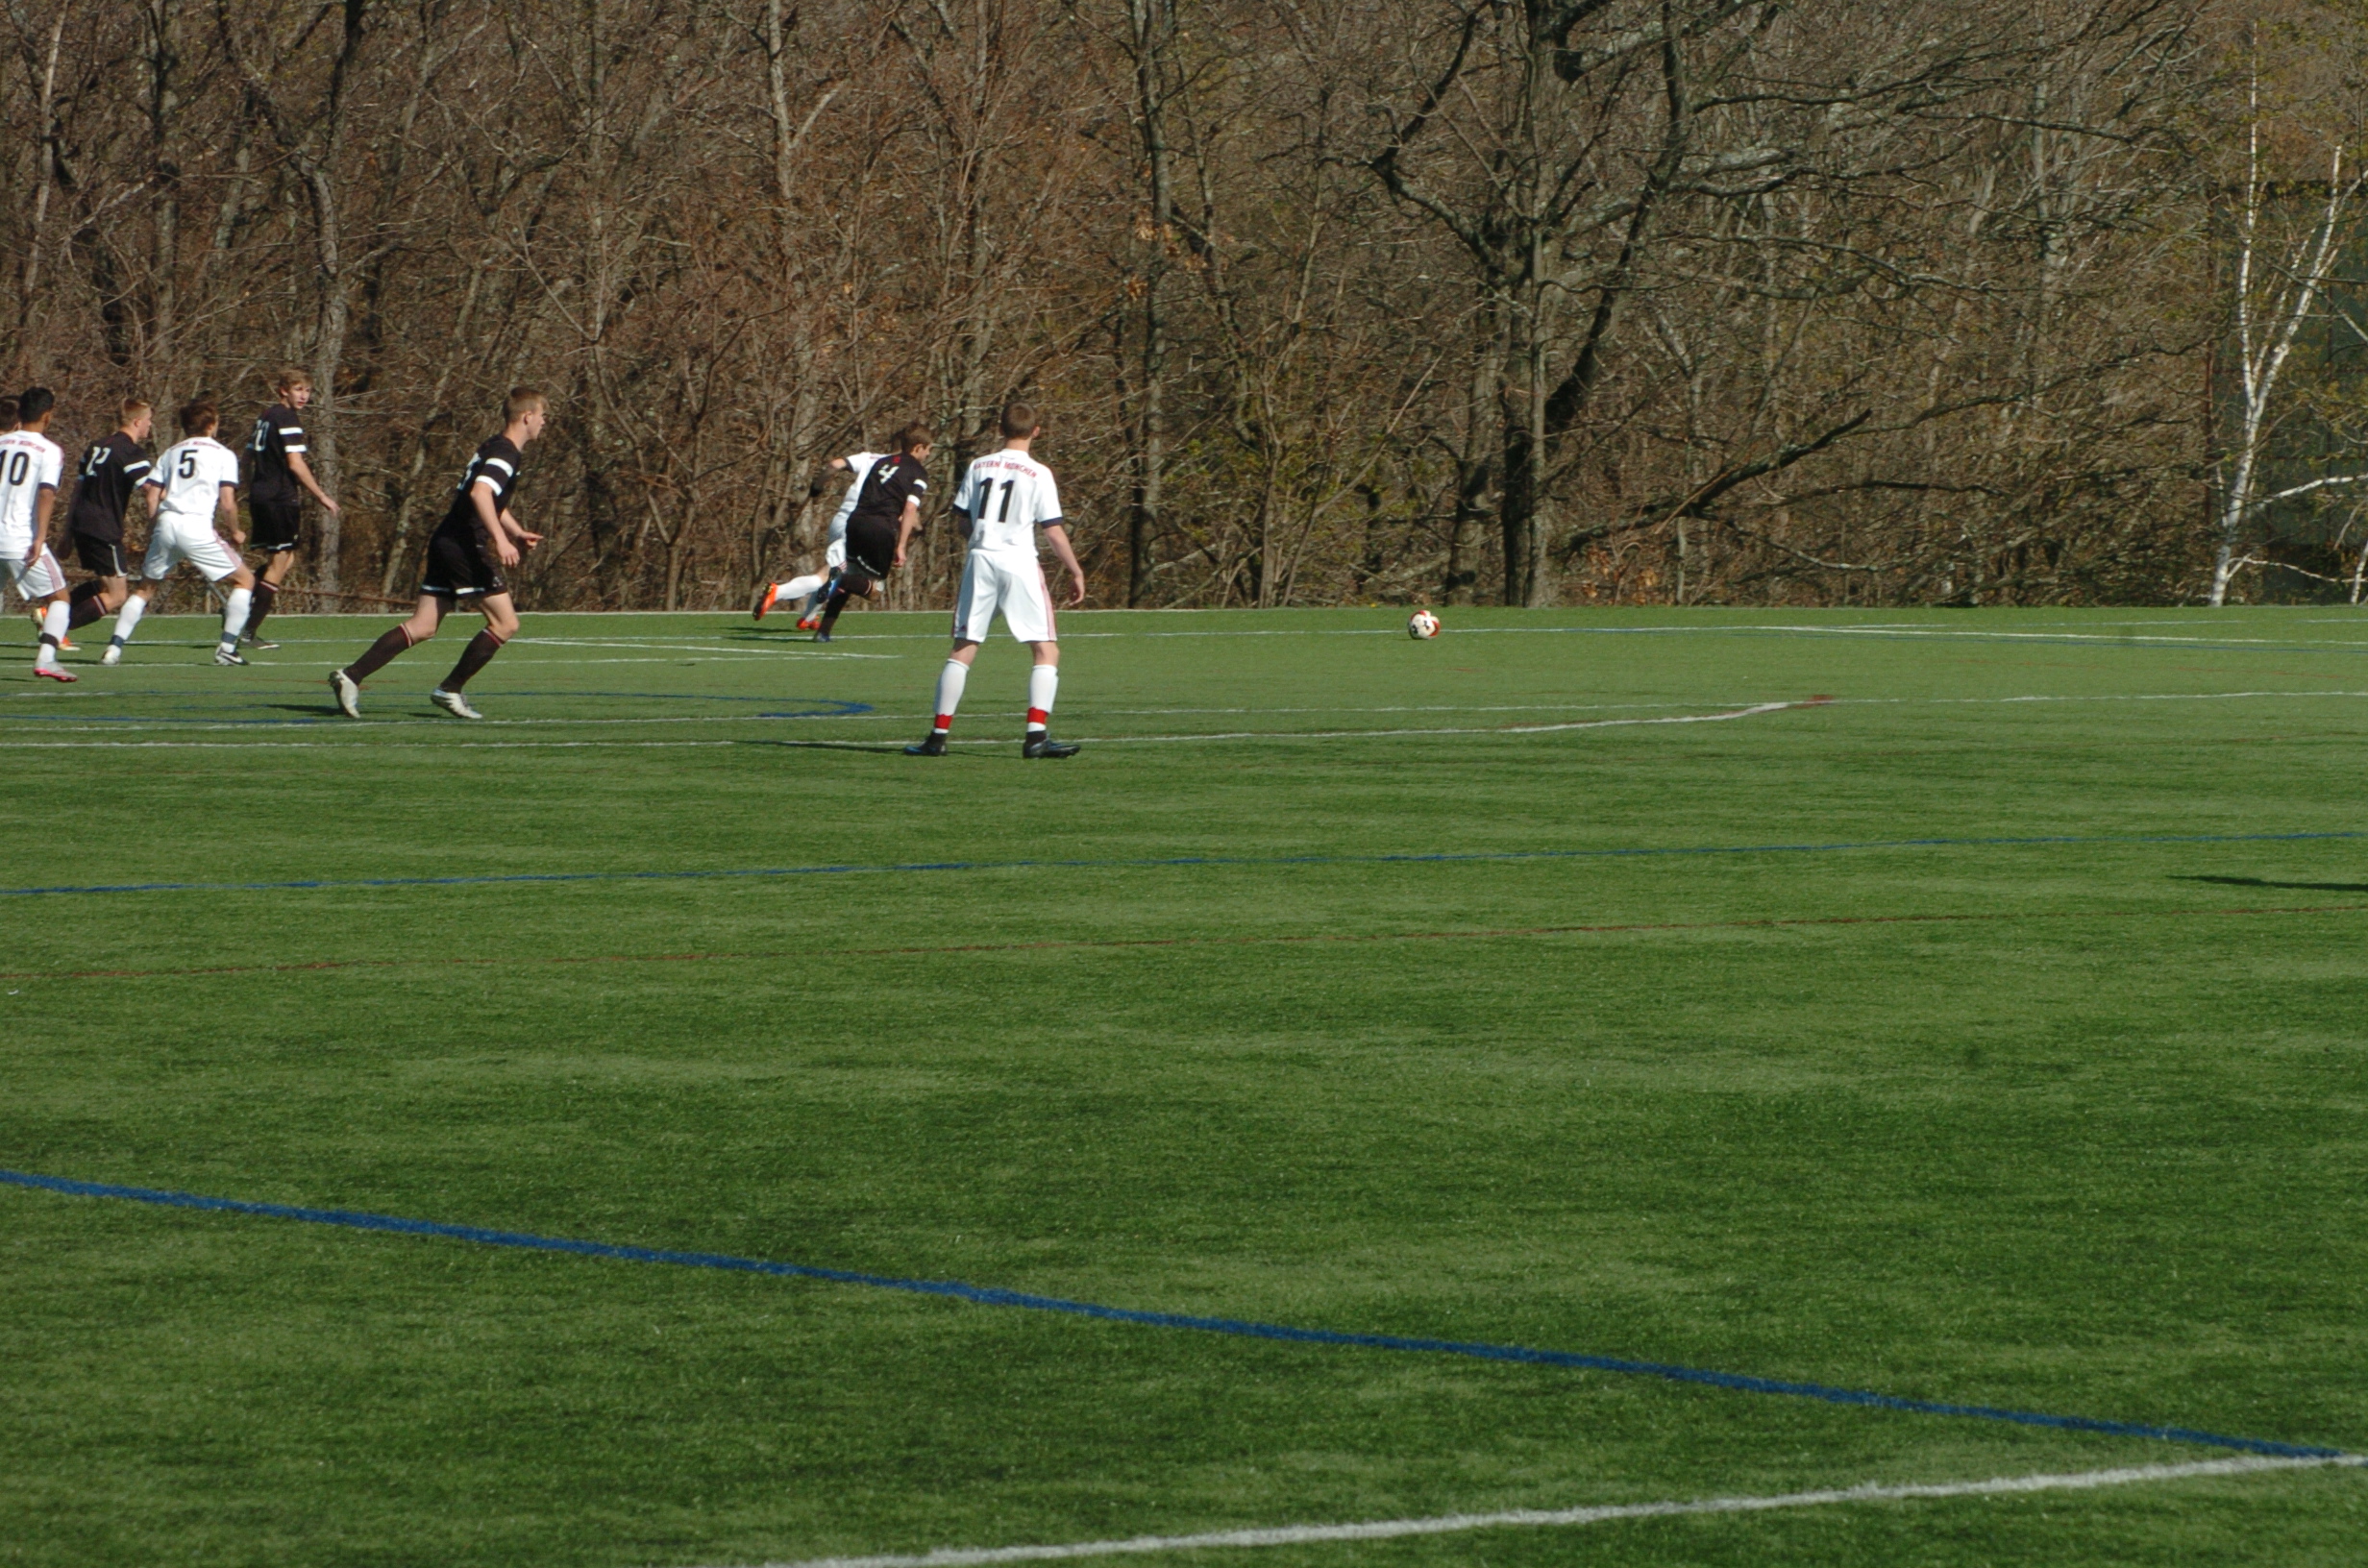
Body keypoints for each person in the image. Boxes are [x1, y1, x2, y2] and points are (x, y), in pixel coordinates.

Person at [327, 387, 546, 720]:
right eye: (542, 416)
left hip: (447, 540)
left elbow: (492, 500)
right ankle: (450, 689)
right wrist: (501, 540)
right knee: (506, 623)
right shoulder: (506, 452)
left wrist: (515, 532)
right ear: (527, 416)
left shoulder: (493, 445)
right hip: (464, 545)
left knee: (424, 625)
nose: (544, 422)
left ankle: (351, 676)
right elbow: (481, 493)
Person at [904, 402, 1086, 759]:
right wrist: (1076, 570)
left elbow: (961, 519)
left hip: (981, 559)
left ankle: (937, 738)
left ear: (1000, 429)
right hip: (1018, 560)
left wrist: (980, 542)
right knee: (1046, 650)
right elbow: (1052, 530)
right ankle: (1036, 737)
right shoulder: (1039, 473)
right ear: (1036, 431)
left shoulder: (978, 465)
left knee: (964, 646)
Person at [108, 399, 256, 667]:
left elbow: (152, 495)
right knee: (245, 580)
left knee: (145, 589)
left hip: (167, 522)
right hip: (196, 525)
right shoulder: (223, 454)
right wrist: (236, 530)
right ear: (211, 425)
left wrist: (154, 527)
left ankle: (113, 649)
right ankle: (227, 647)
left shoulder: (171, 452)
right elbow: (227, 502)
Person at [239, 367, 339, 649]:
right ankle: (247, 631)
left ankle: (239, 604)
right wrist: (321, 496)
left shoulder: (266, 416)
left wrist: (251, 486)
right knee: (279, 562)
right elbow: (296, 463)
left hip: (262, 496)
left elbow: (246, 457)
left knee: (286, 559)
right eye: (298, 389)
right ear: (283, 390)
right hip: (279, 499)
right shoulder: (286, 418)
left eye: (307, 390)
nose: (304, 396)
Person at [811, 424, 931, 643]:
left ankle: (823, 632)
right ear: (918, 447)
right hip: (881, 528)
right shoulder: (919, 473)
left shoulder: (881, 462)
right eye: (928, 449)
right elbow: (910, 509)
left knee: (852, 576)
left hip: (855, 522)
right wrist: (901, 545)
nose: (929, 454)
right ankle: (838, 579)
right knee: (874, 589)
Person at [752, 446, 884, 629]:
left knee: (836, 575)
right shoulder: (905, 471)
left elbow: (834, 464)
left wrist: (817, 486)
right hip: (859, 527)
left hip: (840, 521)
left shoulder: (870, 457)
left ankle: (808, 617)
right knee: (829, 576)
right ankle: (778, 591)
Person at [60, 399, 155, 645]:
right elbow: (150, 489)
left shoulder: (96, 446)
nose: (150, 425)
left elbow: (77, 490)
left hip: (81, 522)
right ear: (137, 422)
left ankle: (53, 612)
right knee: (117, 595)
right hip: (104, 527)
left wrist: (67, 532)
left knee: (105, 585)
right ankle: (55, 627)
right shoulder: (130, 452)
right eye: (148, 420)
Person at [0, 386, 78, 683]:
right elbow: (47, 493)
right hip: (19, 538)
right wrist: (40, 537)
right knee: (60, 596)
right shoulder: (49, 450)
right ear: (48, 416)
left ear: (19, 413)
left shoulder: (2, 442)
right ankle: (47, 659)